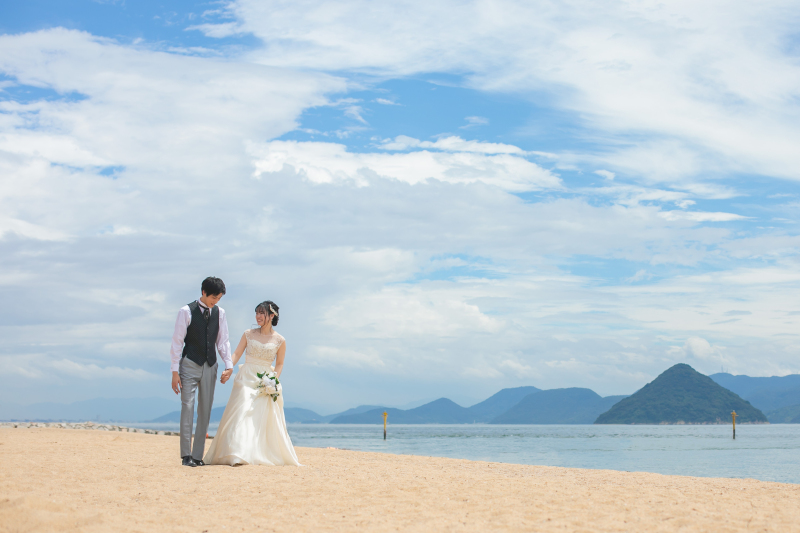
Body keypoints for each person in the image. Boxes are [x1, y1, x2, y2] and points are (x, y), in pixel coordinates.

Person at [203, 300, 301, 466]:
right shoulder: (248, 334)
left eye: (262, 313)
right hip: (246, 376)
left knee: (261, 417)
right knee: (242, 409)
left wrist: (274, 380)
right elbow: (237, 353)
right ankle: (236, 453)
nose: (258, 316)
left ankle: (255, 453)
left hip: (266, 379)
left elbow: (280, 363)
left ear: (272, 316)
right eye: (257, 313)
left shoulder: (280, 340)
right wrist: (229, 368)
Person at [169, 277, 232, 467]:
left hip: (210, 365)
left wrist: (228, 365)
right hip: (189, 363)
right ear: (203, 292)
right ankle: (186, 456)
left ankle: (197, 456)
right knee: (187, 406)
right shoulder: (186, 311)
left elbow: (223, 341)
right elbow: (177, 342)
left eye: (219, 298)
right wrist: (174, 371)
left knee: (205, 409)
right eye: (214, 297)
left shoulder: (220, 313)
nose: (216, 301)